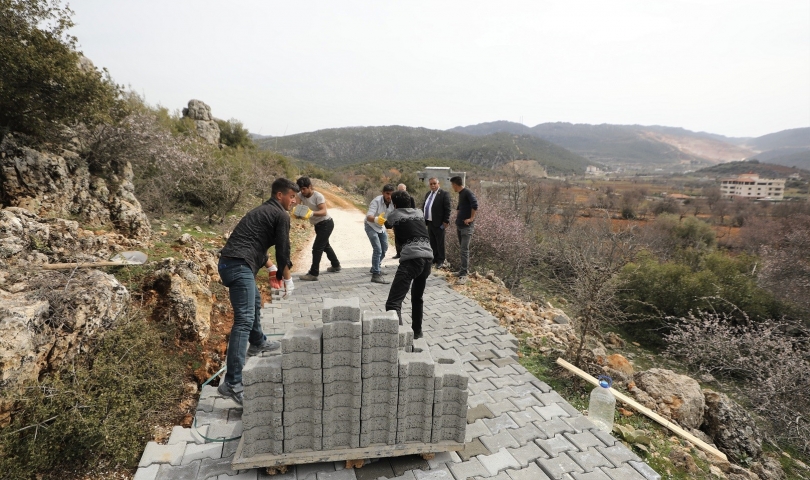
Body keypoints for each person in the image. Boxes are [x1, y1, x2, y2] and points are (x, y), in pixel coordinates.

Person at [216, 177, 298, 404]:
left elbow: (254, 242)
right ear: (280, 195)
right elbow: (284, 250)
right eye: (291, 196)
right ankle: (232, 382)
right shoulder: (280, 214)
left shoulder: (263, 211)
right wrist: (287, 280)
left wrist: (270, 266)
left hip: (233, 262)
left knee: (253, 305)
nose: (293, 201)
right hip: (238, 264)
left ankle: (258, 340)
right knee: (243, 319)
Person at [384, 190, 433, 339]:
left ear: (395, 204)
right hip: (428, 259)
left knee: (393, 304)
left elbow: (387, 224)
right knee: (417, 298)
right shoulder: (418, 212)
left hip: (411, 260)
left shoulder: (394, 214)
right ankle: (417, 333)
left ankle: (398, 340)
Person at [295, 176, 341, 281]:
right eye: (300, 189)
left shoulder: (318, 196)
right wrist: (296, 211)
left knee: (317, 248)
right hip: (318, 225)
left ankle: (313, 273)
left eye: (304, 189)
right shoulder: (301, 195)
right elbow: (295, 204)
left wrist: (311, 213)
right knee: (325, 246)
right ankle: (336, 265)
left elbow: (323, 211)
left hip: (326, 223)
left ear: (310, 187)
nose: (302, 191)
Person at [365, 184, 395, 284]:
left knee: (385, 248)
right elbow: (369, 216)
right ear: (383, 193)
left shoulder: (393, 202)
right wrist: (376, 219)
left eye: (391, 194)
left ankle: (375, 266)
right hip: (371, 225)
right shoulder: (376, 201)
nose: (389, 196)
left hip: (381, 227)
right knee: (377, 249)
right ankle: (376, 275)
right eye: (387, 193)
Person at [450, 176, 478, 285]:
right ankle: (462, 271)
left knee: (464, 250)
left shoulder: (467, 192)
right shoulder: (461, 194)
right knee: (462, 250)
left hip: (467, 227)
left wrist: (471, 218)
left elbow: (475, 205)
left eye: (452, 185)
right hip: (460, 225)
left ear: (456, 184)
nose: (452, 187)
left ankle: (464, 275)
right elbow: (460, 206)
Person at [422, 177, 451, 269]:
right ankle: (433, 259)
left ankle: (441, 260)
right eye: (431, 184)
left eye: (434, 183)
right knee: (432, 242)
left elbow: (448, 208)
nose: (433, 185)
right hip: (429, 222)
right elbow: (425, 206)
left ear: (438, 184)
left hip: (439, 223)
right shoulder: (428, 194)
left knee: (440, 242)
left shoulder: (444, 194)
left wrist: (446, 221)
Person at [393, 183, 416, 259]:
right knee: (397, 237)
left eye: (402, 190)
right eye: (400, 190)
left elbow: (413, 209)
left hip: (407, 220)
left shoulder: (410, 198)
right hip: (397, 219)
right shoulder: (395, 198)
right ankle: (398, 253)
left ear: (406, 190)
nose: (401, 192)